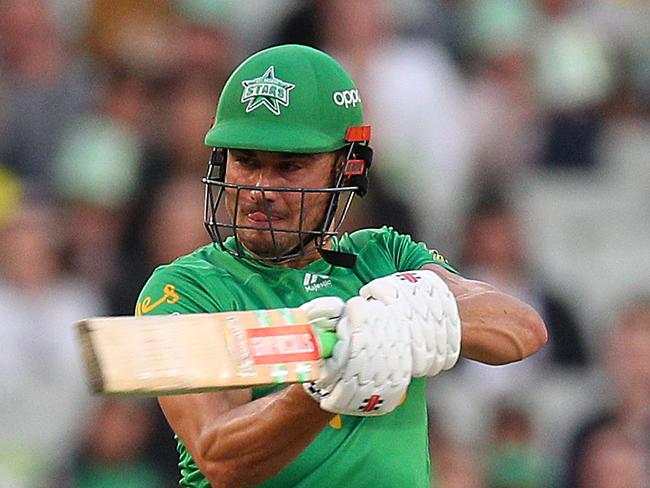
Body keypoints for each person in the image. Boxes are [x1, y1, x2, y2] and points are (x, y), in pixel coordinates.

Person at [136, 44, 548, 488]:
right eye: (246, 161)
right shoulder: (186, 290)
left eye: (289, 167)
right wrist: (330, 382)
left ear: (345, 169)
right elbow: (220, 457)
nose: (260, 188)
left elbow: (522, 331)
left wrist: (402, 316)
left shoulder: (383, 258)